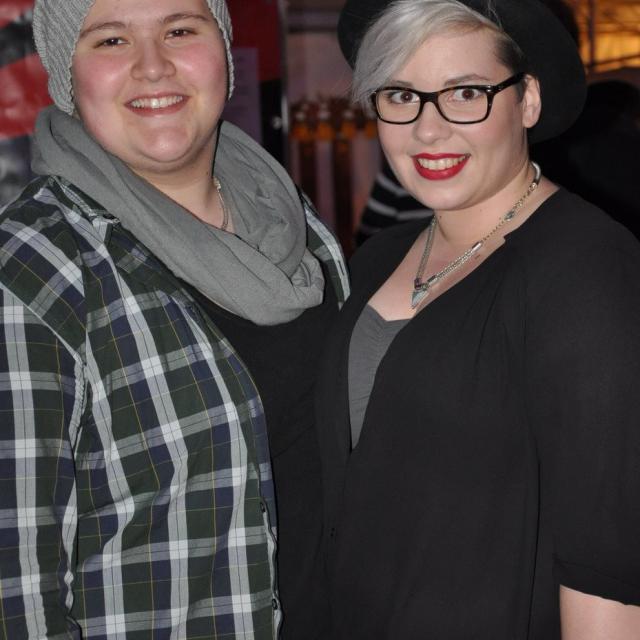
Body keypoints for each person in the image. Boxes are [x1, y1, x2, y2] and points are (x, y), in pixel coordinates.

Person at [0, 0, 347, 637]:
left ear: (225, 52)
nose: (153, 66)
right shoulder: (35, 269)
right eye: (111, 40)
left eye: (181, 30)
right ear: (65, 74)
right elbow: (13, 593)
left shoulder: (294, 222)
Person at [316, 0, 640, 638]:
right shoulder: (378, 257)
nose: (428, 130)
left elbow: (606, 571)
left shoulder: (586, 269)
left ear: (527, 100)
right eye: (401, 95)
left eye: (465, 93)